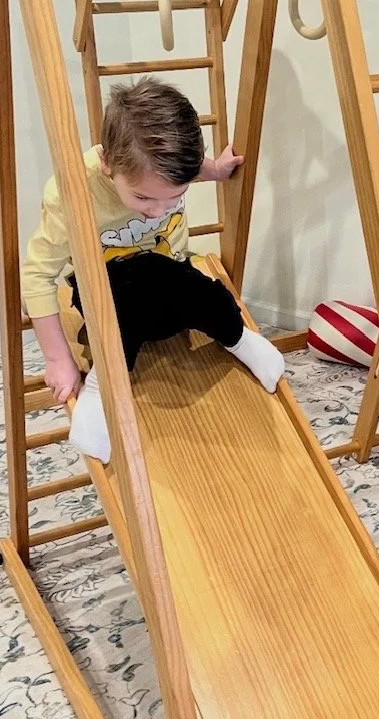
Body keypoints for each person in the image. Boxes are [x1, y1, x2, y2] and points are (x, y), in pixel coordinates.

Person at [21, 78, 284, 463]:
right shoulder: (72, 191)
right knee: (121, 311)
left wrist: (217, 170)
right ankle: (102, 386)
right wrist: (58, 358)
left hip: (169, 275)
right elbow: (37, 275)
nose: (157, 210)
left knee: (205, 294)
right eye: (142, 197)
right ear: (109, 163)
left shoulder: (167, 171)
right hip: (109, 285)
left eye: (174, 197)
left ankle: (239, 339)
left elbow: (192, 170)